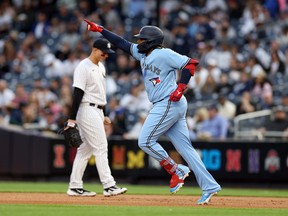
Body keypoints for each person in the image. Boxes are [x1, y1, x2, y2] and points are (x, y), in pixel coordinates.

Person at [84, 19, 221, 205]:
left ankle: (176, 170)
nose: (138, 42)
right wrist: (100, 30)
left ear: (150, 41)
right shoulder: (143, 55)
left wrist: (180, 88)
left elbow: (190, 64)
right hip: (169, 104)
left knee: (145, 141)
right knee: (185, 149)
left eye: (141, 39)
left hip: (168, 102)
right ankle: (209, 186)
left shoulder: (163, 54)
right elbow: (121, 43)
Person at [65, 38, 127, 197]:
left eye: (108, 53)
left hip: (97, 109)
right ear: (94, 49)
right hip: (86, 109)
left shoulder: (101, 67)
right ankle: (109, 185)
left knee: (85, 150)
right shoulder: (83, 67)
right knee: (101, 147)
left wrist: (104, 113)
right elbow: (77, 93)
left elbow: (100, 92)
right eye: (103, 52)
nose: (106, 55)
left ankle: (75, 186)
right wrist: (72, 119)